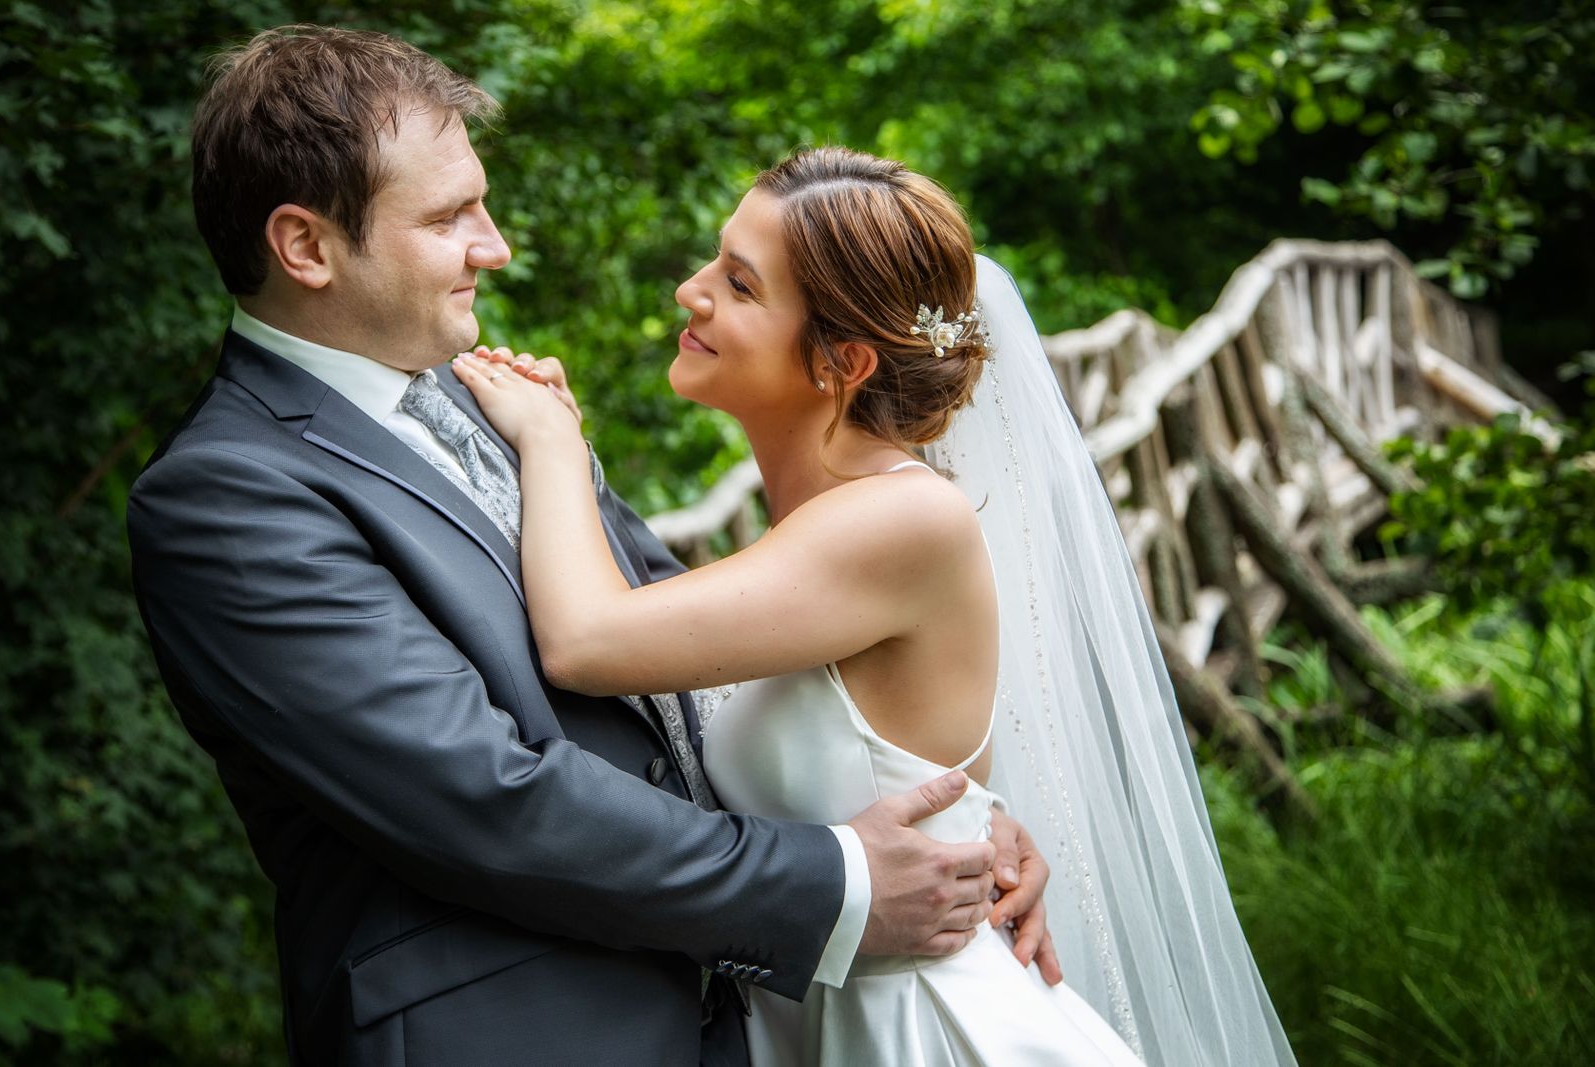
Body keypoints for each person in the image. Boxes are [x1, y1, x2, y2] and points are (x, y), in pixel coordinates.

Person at [127, 28, 1057, 1067]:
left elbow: (688, 669)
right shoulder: (227, 495)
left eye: (480, 204)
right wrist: (839, 879)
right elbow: (483, 798)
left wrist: (953, 828)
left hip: (730, 1019)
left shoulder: (484, 396)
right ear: (305, 247)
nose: (493, 246)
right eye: (446, 217)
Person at [459, 147, 1299, 1065]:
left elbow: (585, 640)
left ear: (842, 361)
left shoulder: (901, 519)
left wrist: (551, 441)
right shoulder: (821, 525)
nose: (689, 292)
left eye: (739, 284)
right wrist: (981, 821)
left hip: (920, 1027)